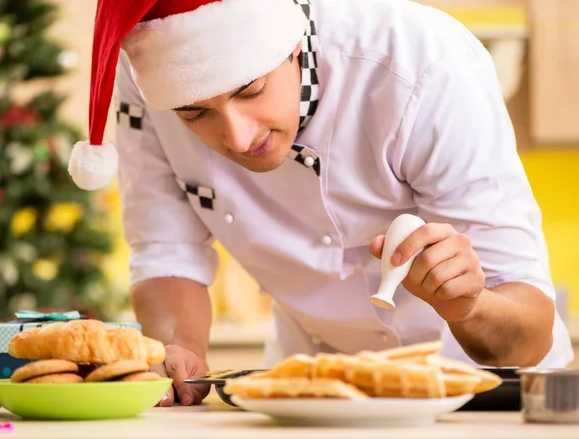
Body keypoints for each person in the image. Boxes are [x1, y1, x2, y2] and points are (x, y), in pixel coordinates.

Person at [68, 0, 574, 406]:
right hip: (306, 390)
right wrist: (179, 350)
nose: (239, 139)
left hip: (476, 390)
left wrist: (470, 305)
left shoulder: (423, 62)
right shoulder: (145, 85)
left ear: (292, 46)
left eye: (252, 90)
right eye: (196, 114)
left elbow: (526, 335)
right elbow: (166, 250)